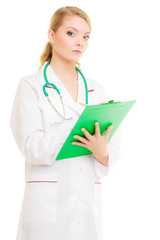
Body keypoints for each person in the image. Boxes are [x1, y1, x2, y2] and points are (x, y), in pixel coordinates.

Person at [10, 6, 120, 240]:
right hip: (45, 207)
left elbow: (111, 149)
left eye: (86, 36)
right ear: (52, 35)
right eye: (71, 33)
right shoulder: (31, 86)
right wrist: (75, 125)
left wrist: (102, 153)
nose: (79, 42)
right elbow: (31, 147)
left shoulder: (96, 90)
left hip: (86, 204)